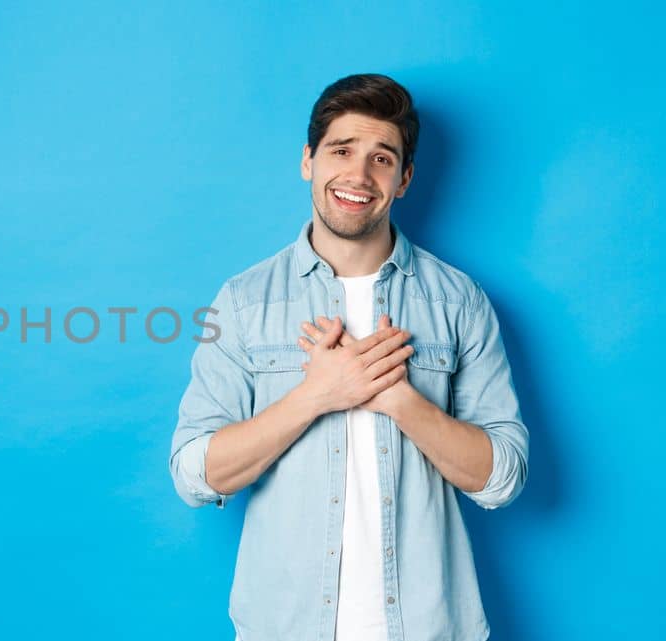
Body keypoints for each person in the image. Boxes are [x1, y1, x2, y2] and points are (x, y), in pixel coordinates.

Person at [168, 73, 529, 641]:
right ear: (308, 160)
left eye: (382, 158)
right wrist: (318, 395)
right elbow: (195, 474)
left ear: (404, 179)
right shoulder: (243, 302)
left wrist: (398, 398)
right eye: (342, 151)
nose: (359, 175)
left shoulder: (459, 301)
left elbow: (503, 478)